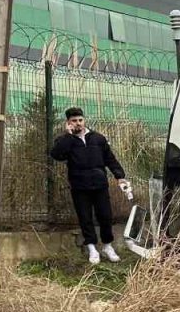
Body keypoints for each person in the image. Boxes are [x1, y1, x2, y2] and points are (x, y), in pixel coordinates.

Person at [50, 107, 128, 265]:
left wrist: (119, 176)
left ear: (84, 120)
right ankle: (92, 247)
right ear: (68, 123)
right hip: (79, 185)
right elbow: (56, 154)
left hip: (99, 183)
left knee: (105, 216)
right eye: (74, 121)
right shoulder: (66, 140)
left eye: (80, 120)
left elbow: (110, 158)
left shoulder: (98, 138)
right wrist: (68, 136)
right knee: (85, 217)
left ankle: (107, 246)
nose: (78, 123)